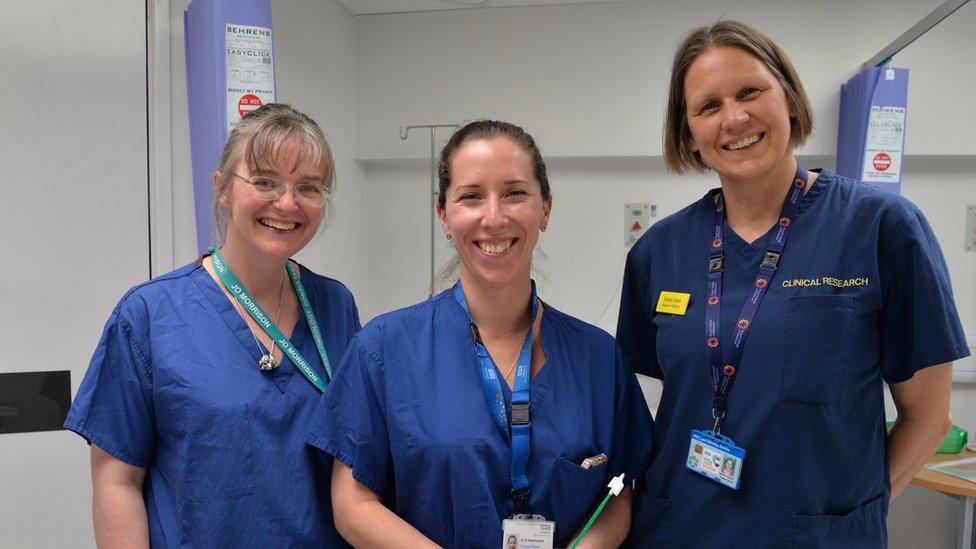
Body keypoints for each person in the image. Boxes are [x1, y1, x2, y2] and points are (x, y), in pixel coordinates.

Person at [617, 20, 969, 547]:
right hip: (680, 531)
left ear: (790, 100)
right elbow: (651, 409)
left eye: (750, 91)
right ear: (688, 133)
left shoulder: (882, 229)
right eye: (708, 106)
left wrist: (852, 515)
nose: (734, 118)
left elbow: (930, 418)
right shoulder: (657, 253)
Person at [307, 120, 653, 548]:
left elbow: (618, 490)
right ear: (444, 216)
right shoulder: (384, 350)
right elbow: (352, 501)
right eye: (471, 196)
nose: (494, 217)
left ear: (545, 208)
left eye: (514, 193)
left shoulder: (599, 360)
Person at [65, 104, 361, 547]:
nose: (287, 202)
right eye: (264, 181)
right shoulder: (149, 315)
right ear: (222, 188)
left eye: (308, 187)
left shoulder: (335, 305)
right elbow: (116, 483)